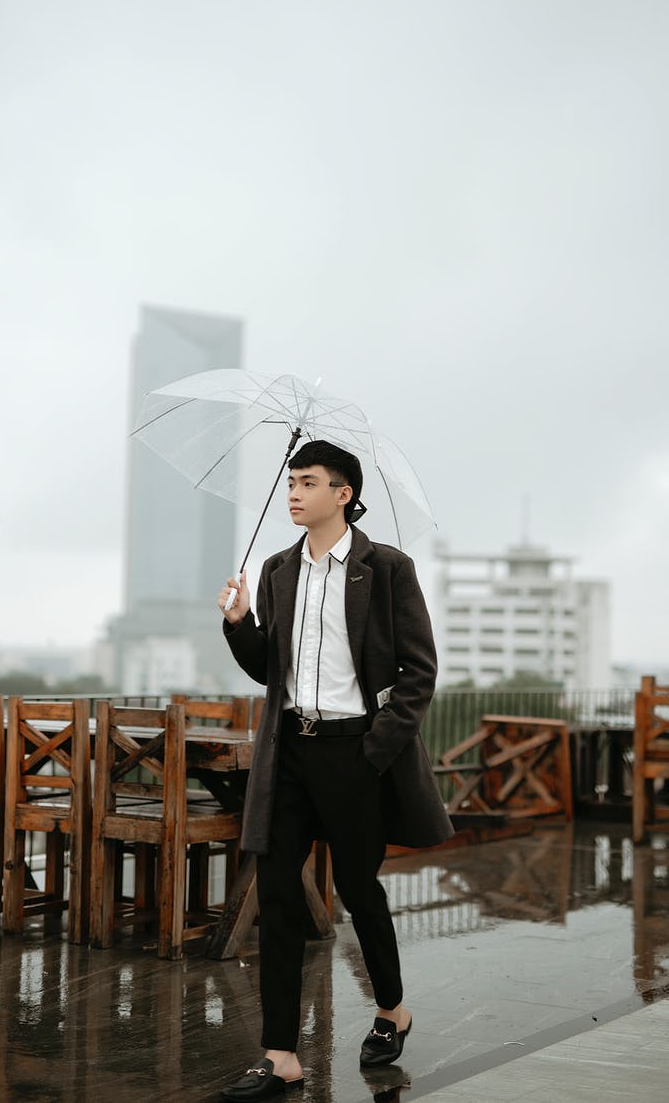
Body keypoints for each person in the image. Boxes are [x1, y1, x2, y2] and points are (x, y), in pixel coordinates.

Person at [216, 440, 453, 1100]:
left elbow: (418, 672)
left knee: (357, 886)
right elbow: (270, 669)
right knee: (279, 897)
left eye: (308, 482)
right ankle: (280, 1054)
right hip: (287, 754)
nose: (293, 492)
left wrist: (373, 751)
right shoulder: (274, 570)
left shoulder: (387, 568)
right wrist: (239, 623)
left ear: (342, 493)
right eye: (290, 481)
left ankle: (391, 1010)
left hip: (354, 754)